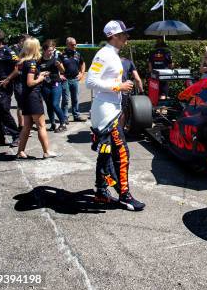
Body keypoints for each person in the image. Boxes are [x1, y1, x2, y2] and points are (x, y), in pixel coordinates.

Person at [87, 20, 145, 210]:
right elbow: (90, 81)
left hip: (110, 108)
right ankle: (124, 195)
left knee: (105, 153)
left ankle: (102, 192)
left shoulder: (111, 53)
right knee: (121, 154)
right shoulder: (104, 54)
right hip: (105, 111)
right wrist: (118, 86)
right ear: (113, 36)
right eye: (124, 33)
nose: (127, 36)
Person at [15, 38, 59, 159]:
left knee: (27, 126)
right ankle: (46, 151)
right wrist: (40, 78)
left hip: (26, 96)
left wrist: (38, 75)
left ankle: (20, 151)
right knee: (41, 126)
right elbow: (30, 82)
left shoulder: (24, 62)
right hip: (33, 96)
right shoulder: (32, 63)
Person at [39, 40, 67, 133]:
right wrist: (42, 74)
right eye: (49, 50)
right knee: (49, 105)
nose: (51, 52)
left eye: (52, 50)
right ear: (44, 50)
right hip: (45, 85)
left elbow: (63, 71)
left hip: (56, 84)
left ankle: (63, 123)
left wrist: (59, 66)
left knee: (55, 104)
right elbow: (36, 72)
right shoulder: (40, 60)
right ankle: (52, 124)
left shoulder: (56, 59)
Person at [60, 37, 87, 123]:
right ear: (67, 45)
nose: (75, 46)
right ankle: (65, 117)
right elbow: (56, 65)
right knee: (65, 99)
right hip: (66, 79)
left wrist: (82, 73)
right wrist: (59, 75)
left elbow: (83, 63)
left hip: (75, 78)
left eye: (75, 44)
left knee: (75, 98)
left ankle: (76, 115)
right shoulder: (62, 54)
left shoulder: (77, 54)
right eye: (72, 45)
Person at [119, 57, 144, 129]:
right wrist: (142, 92)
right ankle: (119, 133)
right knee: (122, 110)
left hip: (109, 88)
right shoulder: (129, 62)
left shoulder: (110, 60)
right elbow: (137, 79)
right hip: (122, 87)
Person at [10, 34, 29, 130]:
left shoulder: (25, 49)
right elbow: (16, 62)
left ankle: (27, 125)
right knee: (21, 104)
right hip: (18, 80)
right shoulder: (13, 49)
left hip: (26, 79)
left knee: (26, 103)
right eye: (26, 42)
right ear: (21, 41)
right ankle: (21, 126)